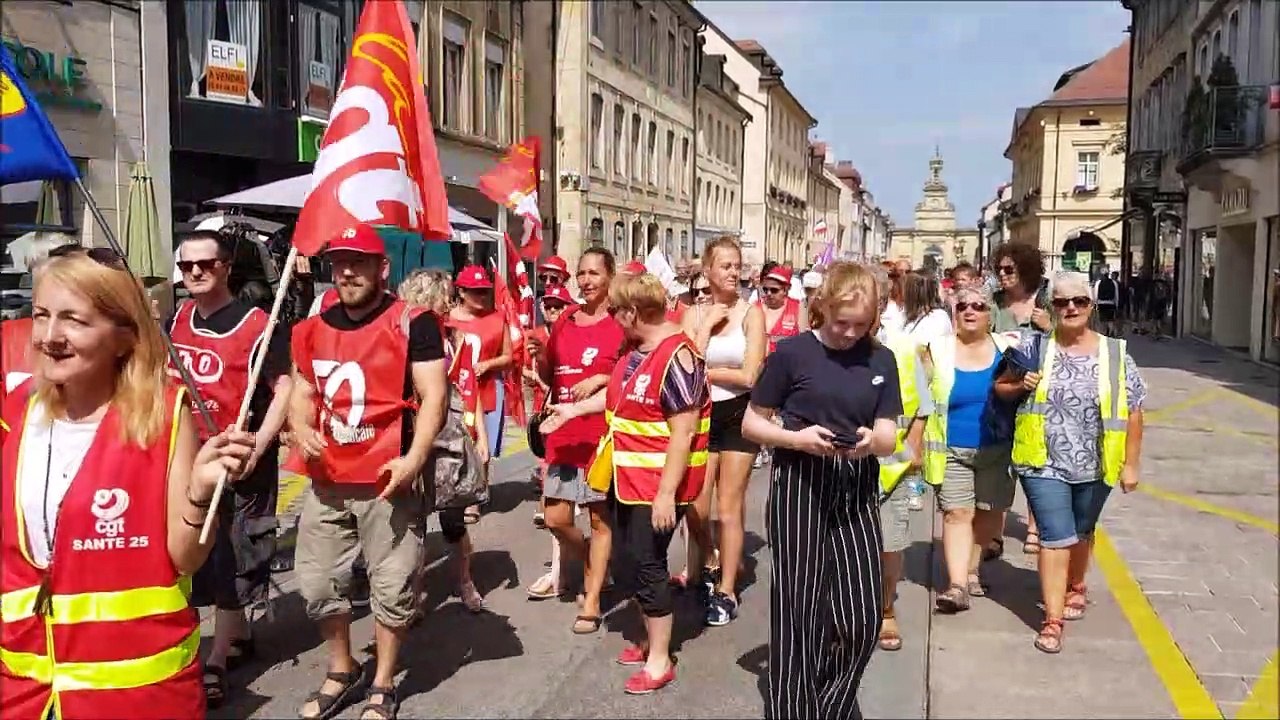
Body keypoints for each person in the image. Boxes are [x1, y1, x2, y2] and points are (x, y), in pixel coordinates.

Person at [0, 247, 254, 719]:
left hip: (140, 697)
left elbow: (185, 557)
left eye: (73, 320)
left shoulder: (164, 416)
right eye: (41, 315)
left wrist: (200, 491)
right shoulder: (14, 414)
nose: (49, 337)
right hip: (27, 696)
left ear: (122, 337)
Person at [288, 225, 448, 720]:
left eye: (359, 262)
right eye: (340, 262)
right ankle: (343, 668)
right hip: (327, 477)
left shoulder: (414, 323)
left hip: (388, 478)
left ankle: (383, 680)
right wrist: (299, 426)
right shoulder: (313, 327)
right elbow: (302, 390)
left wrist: (414, 459)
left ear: (383, 268)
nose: (347, 272)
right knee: (317, 583)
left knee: (393, 586)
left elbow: (435, 397)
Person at [742, 261, 900, 719]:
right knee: (800, 608)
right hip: (799, 479)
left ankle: (830, 704)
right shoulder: (792, 353)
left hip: (855, 482)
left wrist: (872, 442)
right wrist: (797, 439)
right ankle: (795, 708)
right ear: (823, 307)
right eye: (841, 322)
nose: (850, 334)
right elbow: (752, 423)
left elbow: (889, 434)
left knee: (862, 616)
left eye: (861, 325)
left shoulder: (881, 359)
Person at [541, 273, 711, 694]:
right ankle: (648, 638)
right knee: (629, 562)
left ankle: (660, 659)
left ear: (633, 312)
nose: (612, 317)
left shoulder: (679, 357)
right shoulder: (636, 350)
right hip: (626, 479)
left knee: (649, 564)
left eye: (616, 310)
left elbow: (683, 433)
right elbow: (619, 396)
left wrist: (667, 495)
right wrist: (572, 411)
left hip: (657, 485)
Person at [169, 230, 293, 707]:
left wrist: (259, 445)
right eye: (187, 266)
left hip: (239, 460)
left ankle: (217, 658)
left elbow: (284, 388)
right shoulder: (178, 318)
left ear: (225, 267)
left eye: (205, 264)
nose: (195, 272)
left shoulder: (258, 325)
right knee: (197, 550)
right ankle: (236, 636)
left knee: (234, 556)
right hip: (190, 457)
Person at [995, 271, 1145, 654]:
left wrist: (1131, 464)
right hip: (1042, 460)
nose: (1071, 308)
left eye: (1079, 301)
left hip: (1096, 462)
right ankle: (1052, 619)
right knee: (1054, 536)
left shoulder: (1116, 353)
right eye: (1062, 302)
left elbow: (1133, 411)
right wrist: (1020, 385)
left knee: (1081, 530)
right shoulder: (1033, 347)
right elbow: (1000, 387)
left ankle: (1076, 584)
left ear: (1091, 306)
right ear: (1052, 307)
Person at [524, 248, 623, 635]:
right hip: (562, 433)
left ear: (610, 276)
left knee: (599, 520)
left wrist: (602, 379)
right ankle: (592, 562)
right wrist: (540, 356)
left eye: (594, 273)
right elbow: (551, 373)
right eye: (581, 273)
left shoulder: (621, 321)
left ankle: (592, 602)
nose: (586, 280)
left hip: (600, 435)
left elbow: (634, 371)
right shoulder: (565, 319)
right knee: (556, 518)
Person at [680, 236, 766, 627]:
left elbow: (749, 375)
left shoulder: (751, 313)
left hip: (737, 414)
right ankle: (712, 557)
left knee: (729, 507)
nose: (734, 273)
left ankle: (727, 589)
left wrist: (709, 372)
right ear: (708, 271)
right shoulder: (693, 313)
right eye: (726, 266)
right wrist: (707, 326)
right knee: (695, 508)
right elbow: (684, 366)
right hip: (700, 414)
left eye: (737, 266)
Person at [921, 286, 1015, 613]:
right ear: (954, 313)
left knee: (988, 514)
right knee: (957, 513)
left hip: (997, 448)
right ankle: (958, 585)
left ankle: (973, 568)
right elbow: (920, 398)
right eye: (962, 306)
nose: (970, 311)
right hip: (950, 448)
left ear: (991, 314)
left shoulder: (1008, 349)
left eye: (978, 306)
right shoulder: (936, 349)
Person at [399, 269, 486, 613]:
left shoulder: (455, 338)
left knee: (452, 520)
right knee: (413, 524)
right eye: (444, 298)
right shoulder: (400, 335)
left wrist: (479, 435)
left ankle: (465, 581)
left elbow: (467, 389)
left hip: (448, 436)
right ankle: (415, 593)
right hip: (410, 435)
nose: (450, 305)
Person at [867, 263, 931, 652]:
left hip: (891, 469)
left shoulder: (905, 347)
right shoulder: (828, 346)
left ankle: (886, 608)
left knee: (890, 542)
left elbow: (923, 404)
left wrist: (915, 447)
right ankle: (846, 610)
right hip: (841, 465)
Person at [988, 242, 1053, 556]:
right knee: (999, 462)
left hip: (1040, 392)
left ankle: (1034, 528)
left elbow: (1074, 338)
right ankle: (994, 533)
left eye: (1008, 269)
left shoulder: (1046, 300)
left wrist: (1050, 326)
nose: (1002, 275)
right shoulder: (994, 303)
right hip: (1000, 389)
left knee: (1035, 461)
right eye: (999, 269)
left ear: (1025, 268)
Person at [448, 265, 513, 524]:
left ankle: (475, 495)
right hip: (456, 390)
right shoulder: (447, 318)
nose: (482, 297)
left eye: (485, 291)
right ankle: (455, 488)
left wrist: (487, 365)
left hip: (488, 389)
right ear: (461, 292)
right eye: (475, 291)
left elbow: (508, 357)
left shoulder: (497, 319)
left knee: (481, 443)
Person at [524, 285, 572, 528]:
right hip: (543, 404)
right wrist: (536, 379)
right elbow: (524, 368)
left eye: (558, 306)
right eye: (549, 306)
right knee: (547, 456)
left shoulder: (573, 335)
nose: (552, 310)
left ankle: (562, 503)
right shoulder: (535, 335)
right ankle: (547, 505)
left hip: (570, 405)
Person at [758, 264, 806, 353]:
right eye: (765, 290)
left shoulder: (797, 307)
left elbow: (804, 341)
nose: (768, 293)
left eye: (774, 290)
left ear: (786, 289)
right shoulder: (756, 307)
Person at [1094, 271, 1121, 336]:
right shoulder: (1114, 282)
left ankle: (1104, 333)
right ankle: (1110, 332)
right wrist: (1116, 304)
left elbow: (1096, 294)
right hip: (1111, 303)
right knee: (1110, 320)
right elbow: (1116, 294)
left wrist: (1095, 304)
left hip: (1101, 303)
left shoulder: (1098, 282)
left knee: (1102, 320)